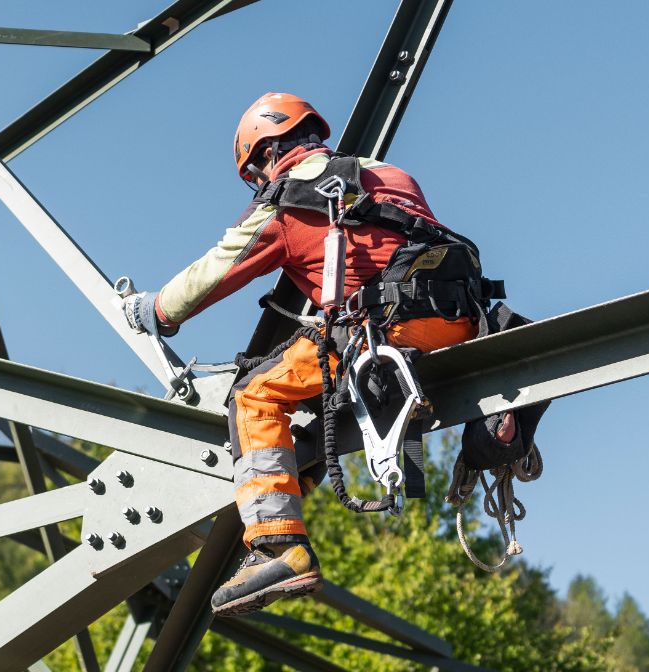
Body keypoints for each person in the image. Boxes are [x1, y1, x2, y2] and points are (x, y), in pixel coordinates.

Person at [122, 92, 497, 617]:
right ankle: (298, 474)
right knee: (326, 405)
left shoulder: (287, 200)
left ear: (266, 153)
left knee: (255, 396)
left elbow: (215, 272)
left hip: (382, 329)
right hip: (460, 321)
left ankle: (277, 544)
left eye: (255, 172)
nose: (258, 184)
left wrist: (155, 310)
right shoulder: (389, 175)